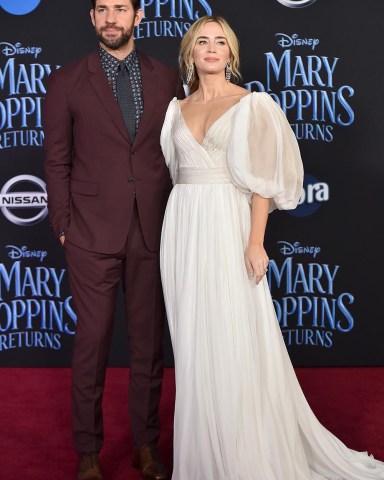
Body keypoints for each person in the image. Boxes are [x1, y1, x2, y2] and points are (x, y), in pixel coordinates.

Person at [159, 15, 384, 480]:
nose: (212, 48)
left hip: (228, 225)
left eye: (221, 41)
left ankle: (243, 455)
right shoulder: (174, 110)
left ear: (231, 53)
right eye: (203, 41)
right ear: (190, 53)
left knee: (234, 339)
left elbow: (262, 180)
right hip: (182, 228)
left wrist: (255, 241)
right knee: (194, 344)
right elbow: (174, 173)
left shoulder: (253, 105)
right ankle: (203, 458)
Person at [43, 1, 184, 479]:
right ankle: (88, 451)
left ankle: (146, 445)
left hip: (152, 229)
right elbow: (57, 161)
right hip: (88, 233)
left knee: (148, 346)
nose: (110, 18)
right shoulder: (66, 81)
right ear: (91, 18)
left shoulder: (167, 79)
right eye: (102, 9)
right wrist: (63, 224)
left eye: (120, 8)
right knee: (92, 342)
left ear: (138, 17)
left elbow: (176, 154)